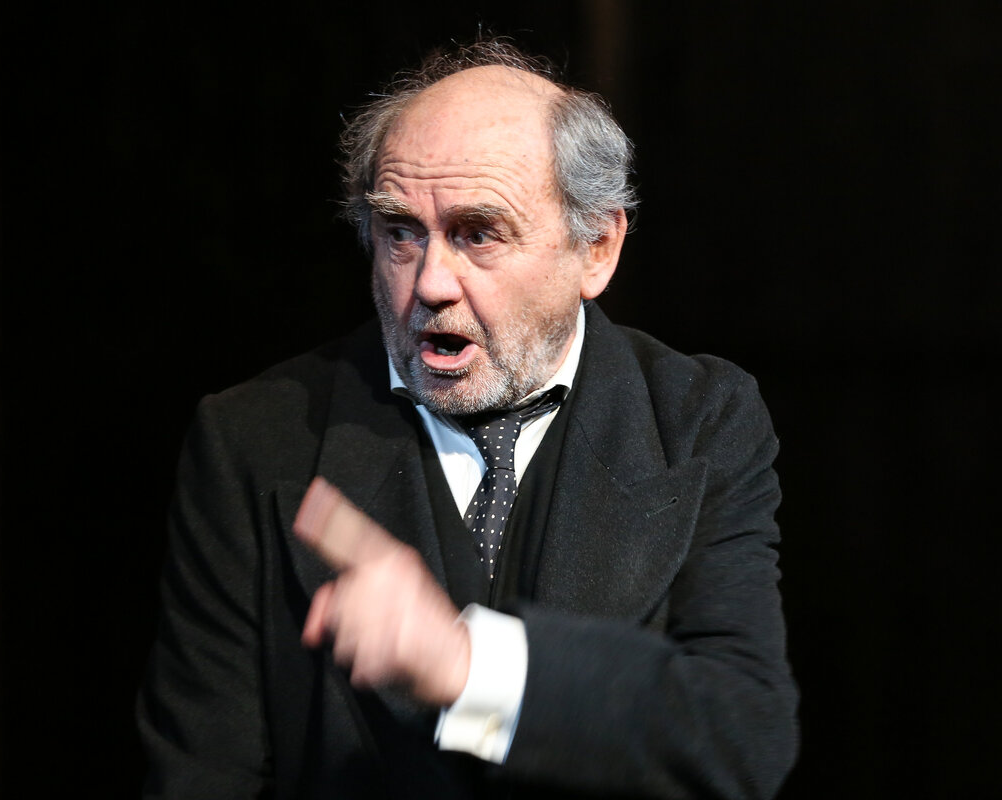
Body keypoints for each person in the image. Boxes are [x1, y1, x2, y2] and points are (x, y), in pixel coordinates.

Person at [137, 38, 798, 799]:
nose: (431, 283)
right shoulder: (253, 440)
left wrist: (469, 667)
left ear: (596, 249)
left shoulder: (699, 420)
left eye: (477, 233)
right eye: (401, 233)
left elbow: (744, 735)